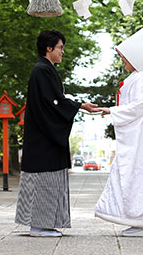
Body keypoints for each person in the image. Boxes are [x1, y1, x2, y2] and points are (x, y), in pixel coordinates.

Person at [15, 29, 95, 237]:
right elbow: (53, 103)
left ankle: (43, 224)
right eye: (60, 47)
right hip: (44, 137)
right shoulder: (41, 70)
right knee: (45, 180)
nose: (63, 52)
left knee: (47, 181)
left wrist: (76, 106)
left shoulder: (44, 70)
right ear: (49, 48)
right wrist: (78, 105)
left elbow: (54, 101)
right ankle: (39, 226)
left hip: (44, 135)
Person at [93, 27, 143, 237]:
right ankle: (139, 219)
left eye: (126, 57)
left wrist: (111, 110)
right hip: (138, 136)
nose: (123, 60)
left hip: (137, 136)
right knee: (134, 174)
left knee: (134, 174)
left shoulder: (142, 79)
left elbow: (138, 106)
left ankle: (140, 220)